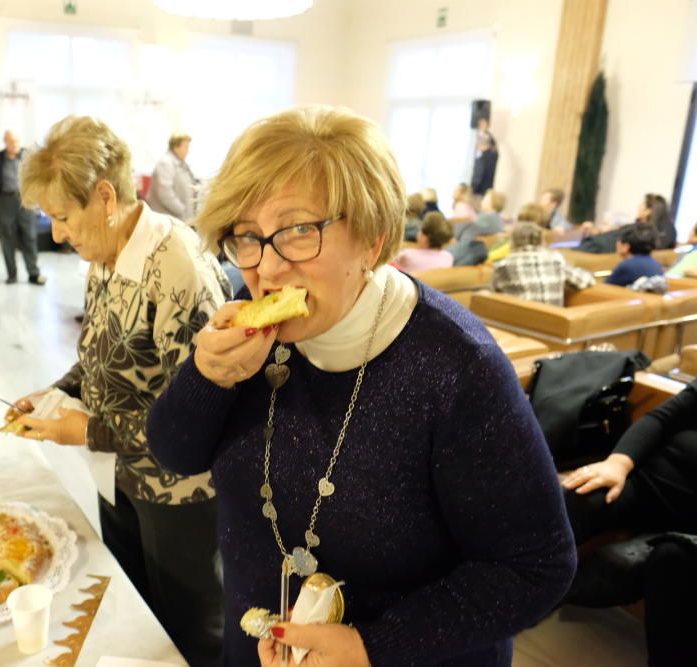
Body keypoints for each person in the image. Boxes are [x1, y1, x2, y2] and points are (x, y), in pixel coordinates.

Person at [147, 106, 576, 667]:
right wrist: (207, 379)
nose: (268, 271)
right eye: (247, 237)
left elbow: (537, 565)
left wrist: (371, 647)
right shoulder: (246, 335)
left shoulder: (455, 367)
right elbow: (174, 453)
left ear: (373, 239)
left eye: (299, 230)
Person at [7, 115, 231, 667]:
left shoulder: (176, 265)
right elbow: (101, 353)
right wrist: (56, 393)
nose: (58, 233)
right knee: (136, 609)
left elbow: (202, 419)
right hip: (121, 471)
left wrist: (86, 428)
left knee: (189, 629)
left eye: (63, 217)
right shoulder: (105, 252)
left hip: (180, 494)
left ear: (105, 196)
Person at [562, 378, 697, 667]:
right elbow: (662, 419)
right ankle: (502, 595)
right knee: (579, 496)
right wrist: (618, 464)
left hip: (688, 532)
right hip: (648, 483)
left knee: (673, 559)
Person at [0, 131, 46, 285]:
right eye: (11, 142)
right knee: (7, 238)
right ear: (5, 142)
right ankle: (12, 274)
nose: (14, 145)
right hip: (4, 200)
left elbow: (39, 178)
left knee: (29, 237)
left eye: (16, 142)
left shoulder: (29, 157)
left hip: (25, 200)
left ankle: (34, 273)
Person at [492, 222, 594, 306]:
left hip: (518, 323)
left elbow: (494, 294)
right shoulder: (555, 260)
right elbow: (585, 280)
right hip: (555, 323)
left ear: (513, 241)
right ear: (541, 239)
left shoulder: (502, 266)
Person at [147, 132, 198, 222]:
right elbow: (165, 193)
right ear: (176, 147)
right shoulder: (165, 163)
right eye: (185, 147)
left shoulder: (182, 164)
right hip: (168, 220)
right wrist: (181, 210)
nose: (188, 151)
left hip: (179, 219)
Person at [471, 127, 498, 197]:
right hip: (488, 193)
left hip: (479, 194)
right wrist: (487, 132)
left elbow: (477, 178)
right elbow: (494, 145)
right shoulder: (494, 156)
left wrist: (472, 191)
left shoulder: (481, 159)